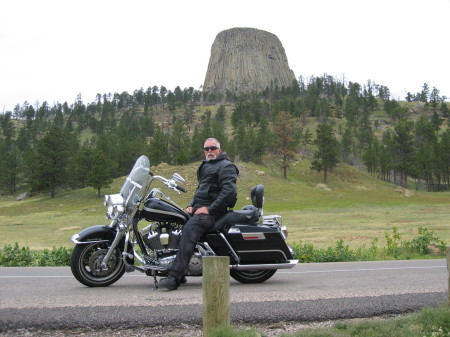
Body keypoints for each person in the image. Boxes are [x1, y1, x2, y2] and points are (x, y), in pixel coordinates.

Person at [159, 137, 239, 290]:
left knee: (190, 229)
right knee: (178, 221)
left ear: (219, 150)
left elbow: (229, 192)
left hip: (214, 212)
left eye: (212, 148)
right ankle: (177, 266)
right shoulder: (206, 166)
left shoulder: (226, 166)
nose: (209, 151)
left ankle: (175, 277)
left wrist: (210, 209)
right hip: (201, 208)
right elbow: (200, 191)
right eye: (206, 148)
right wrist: (191, 205)